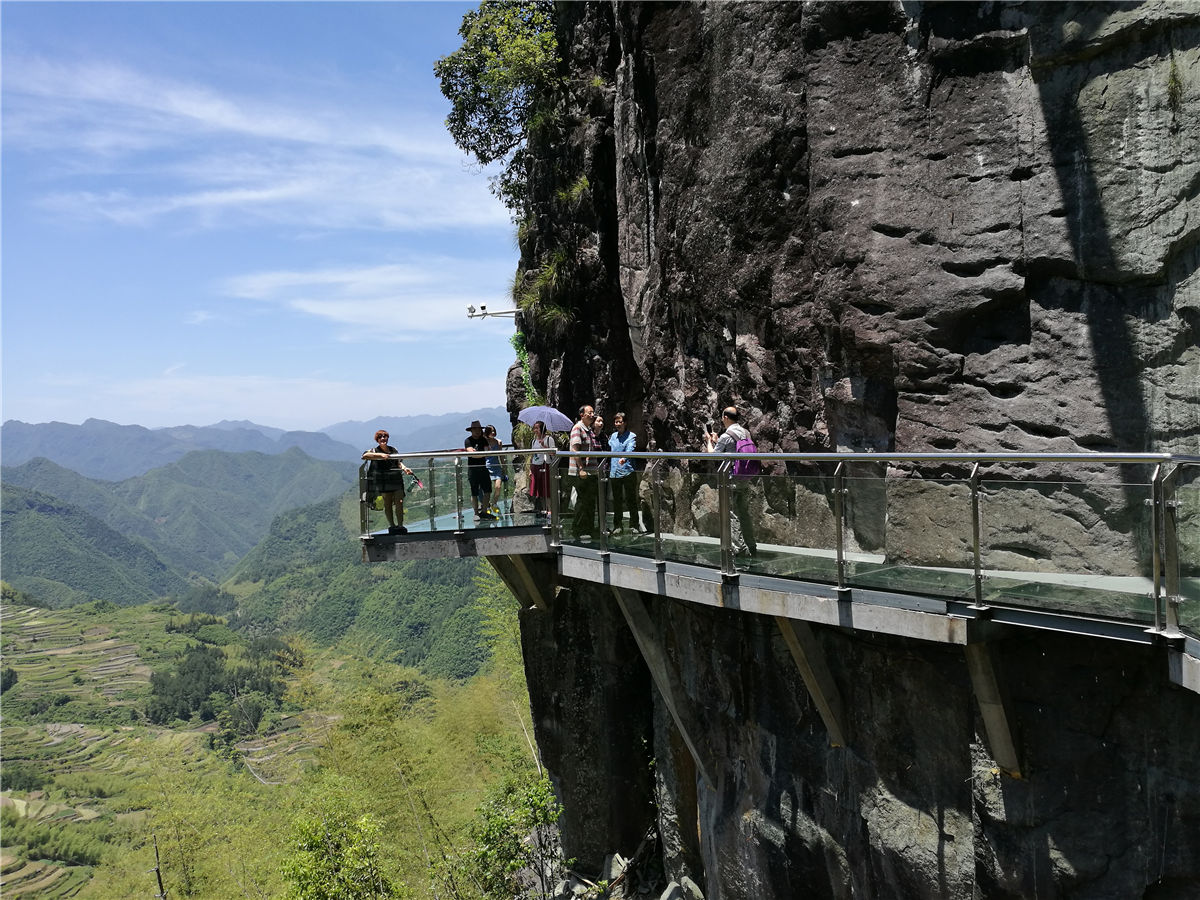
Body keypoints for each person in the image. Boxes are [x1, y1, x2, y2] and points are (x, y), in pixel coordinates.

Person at [703, 406, 757, 556]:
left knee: (731, 513)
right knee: (744, 512)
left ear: (725, 418)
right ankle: (751, 544)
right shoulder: (745, 432)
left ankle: (739, 548)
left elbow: (713, 455)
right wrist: (718, 440)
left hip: (731, 478)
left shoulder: (727, 435)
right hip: (745, 478)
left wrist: (709, 441)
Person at [362, 429, 413, 534]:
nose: (383, 439)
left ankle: (400, 525)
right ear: (377, 440)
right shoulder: (374, 450)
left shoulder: (393, 450)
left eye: (384, 436)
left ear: (387, 438)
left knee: (399, 503)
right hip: (384, 482)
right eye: (380, 437)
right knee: (387, 504)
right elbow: (365, 456)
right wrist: (380, 456)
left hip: (396, 480)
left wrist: (405, 468)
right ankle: (392, 526)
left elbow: (398, 462)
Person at [569, 405, 600, 539]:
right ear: (582, 414)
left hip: (591, 471)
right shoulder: (578, 428)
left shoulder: (589, 430)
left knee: (590, 501)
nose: (592, 415)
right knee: (582, 502)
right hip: (581, 472)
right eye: (589, 413)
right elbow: (575, 450)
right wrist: (581, 468)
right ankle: (578, 529)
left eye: (593, 412)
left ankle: (589, 528)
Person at [608, 412, 641, 533]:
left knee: (631, 499)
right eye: (616, 422)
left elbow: (630, 449)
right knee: (617, 500)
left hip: (627, 471)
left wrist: (624, 458)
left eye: (620, 422)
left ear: (625, 423)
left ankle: (634, 525)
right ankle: (617, 525)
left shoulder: (631, 436)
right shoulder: (612, 436)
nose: (618, 424)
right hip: (614, 472)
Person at [464, 420, 495, 520]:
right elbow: (471, 453)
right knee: (474, 492)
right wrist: (480, 454)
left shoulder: (483, 440)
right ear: (471, 430)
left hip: (483, 467)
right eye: (475, 429)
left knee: (487, 490)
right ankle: (476, 513)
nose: (477, 431)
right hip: (472, 469)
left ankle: (484, 511)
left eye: (478, 429)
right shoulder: (468, 440)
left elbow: (487, 452)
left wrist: (477, 453)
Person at [528, 420, 554, 519]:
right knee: (539, 490)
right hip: (536, 465)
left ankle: (550, 510)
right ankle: (544, 510)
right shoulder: (534, 441)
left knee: (547, 489)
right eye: (534, 428)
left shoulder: (549, 439)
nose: (535, 430)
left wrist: (544, 446)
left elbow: (553, 453)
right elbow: (532, 455)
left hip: (545, 465)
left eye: (537, 428)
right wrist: (530, 469)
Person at [484, 424, 508, 515]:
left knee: (498, 487)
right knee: (487, 489)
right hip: (487, 467)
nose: (493, 433)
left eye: (494, 431)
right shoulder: (484, 442)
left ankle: (493, 503)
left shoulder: (498, 442)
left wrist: (504, 466)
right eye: (491, 431)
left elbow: (500, 455)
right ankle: (487, 505)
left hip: (496, 466)